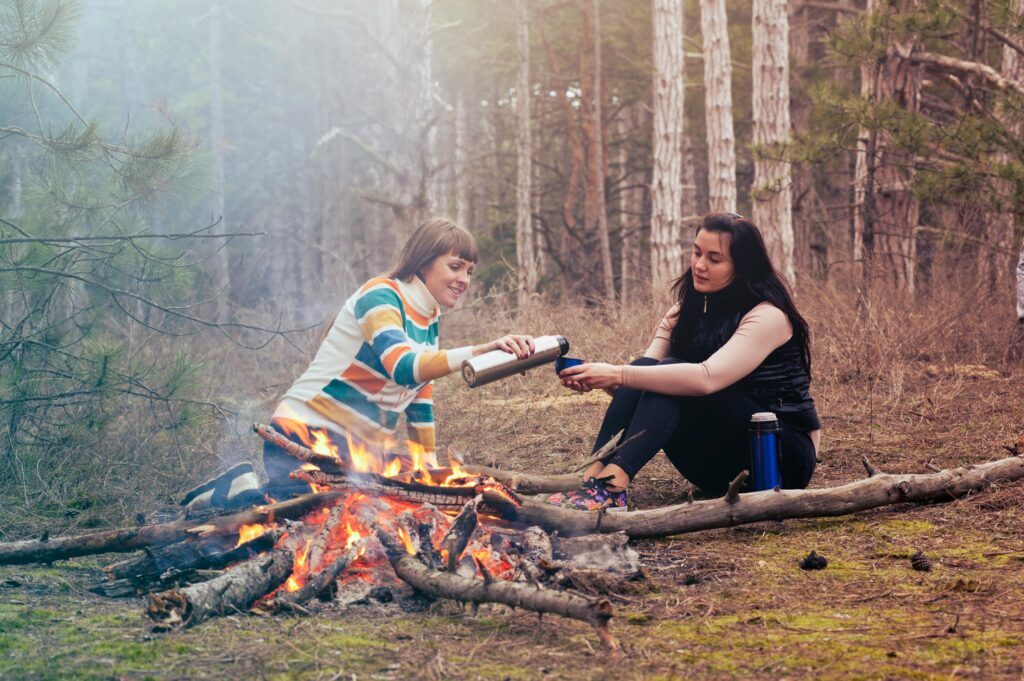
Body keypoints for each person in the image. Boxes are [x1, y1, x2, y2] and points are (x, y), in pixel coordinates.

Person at [184, 218, 533, 509]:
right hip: (304, 436)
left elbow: (419, 393)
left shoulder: (429, 318)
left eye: (470, 271)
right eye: (455, 267)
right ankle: (234, 489)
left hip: (355, 454)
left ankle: (252, 491)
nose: (464, 280)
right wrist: (479, 351)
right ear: (424, 262)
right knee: (305, 515)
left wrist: (429, 468)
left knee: (385, 509)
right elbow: (404, 367)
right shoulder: (380, 295)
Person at [547, 213, 820, 511]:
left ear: (743, 267)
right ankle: (589, 481)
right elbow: (642, 384)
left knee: (665, 375)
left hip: (778, 459)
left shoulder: (768, 316)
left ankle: (613, 488)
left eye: (715, 259)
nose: (699, 265)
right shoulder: (681, 312)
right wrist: (600, 379)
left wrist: (616, 374)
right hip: (718, 464)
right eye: (697, 252)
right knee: (646, 368)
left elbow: (706, 379)